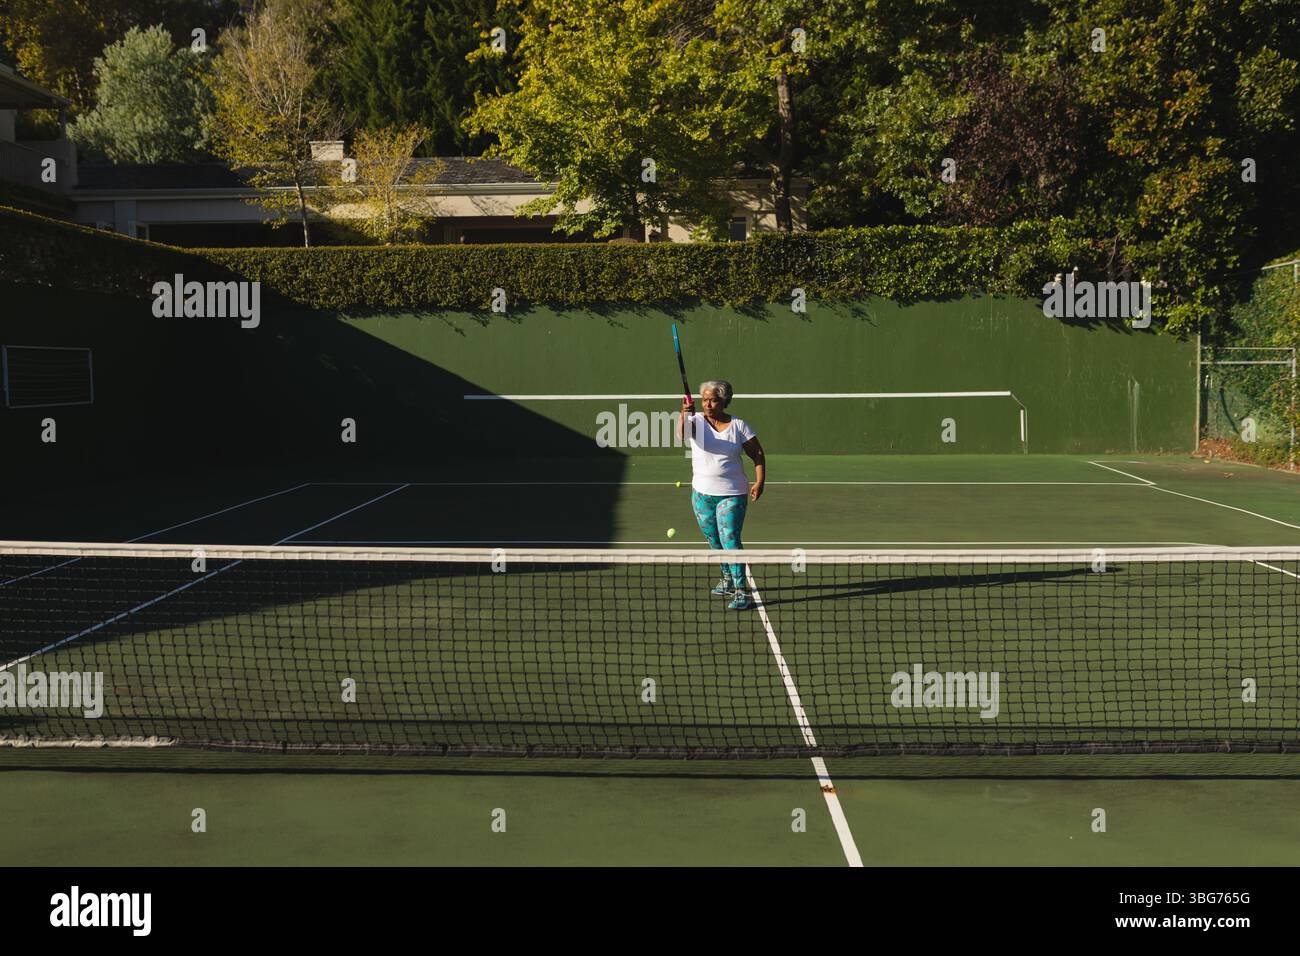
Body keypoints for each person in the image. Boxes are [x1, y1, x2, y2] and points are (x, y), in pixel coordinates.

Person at [677, 380, 765, 610]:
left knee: (730, 541)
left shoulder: (738, 426)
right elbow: (682, 434)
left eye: (713, 399)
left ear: (724, 401)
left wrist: (760, 481)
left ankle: (740, 591)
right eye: (704, 399)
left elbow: (757, 453)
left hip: (732, 494)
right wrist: (684, 413)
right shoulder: (695, 421)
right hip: (701, 494)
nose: (707, 404)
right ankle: (726, 578)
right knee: (714, 541)